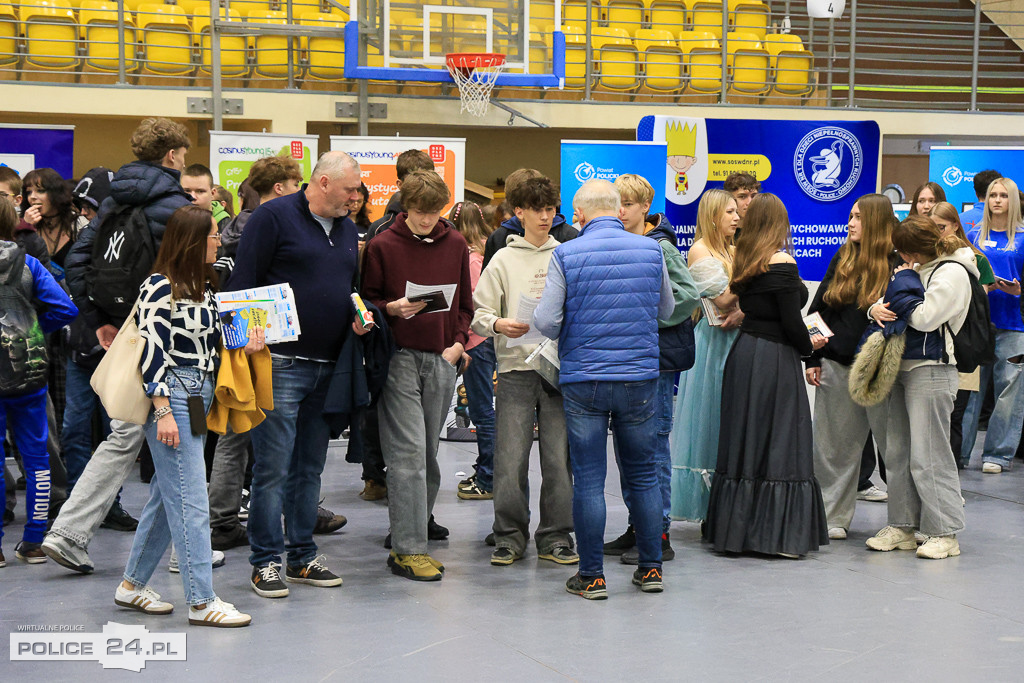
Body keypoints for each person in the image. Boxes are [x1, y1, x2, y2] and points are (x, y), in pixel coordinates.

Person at [43, 117, 194, 573]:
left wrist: (101, 322)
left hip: (125, 329)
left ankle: (69, 532)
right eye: (183, 154)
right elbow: (187, 276)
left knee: (128, 431)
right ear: (172, 156)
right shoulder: (175, 204)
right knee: (177, 436)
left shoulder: (110, 202)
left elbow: (76, 263)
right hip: (170, 334)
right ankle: (181, 549)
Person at [230, 150, 367, 598]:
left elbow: (347, 287)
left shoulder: (347, 230)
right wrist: (246, 337)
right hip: (280, 363)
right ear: (323, 183)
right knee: (272, 468)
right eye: (350, 189)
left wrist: (358, 314)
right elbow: (242, 282)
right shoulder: (272, 218)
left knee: (309, 467)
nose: (356, 197)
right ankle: (265, 562)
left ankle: (302, 556)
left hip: (329, 365)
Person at [114, 204, 255, 626]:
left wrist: (248, 343)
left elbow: (216, 342)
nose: (219, 240)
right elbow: (151, 352)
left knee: (166, 495)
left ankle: (132, 585)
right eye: (213, 234)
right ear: (194, 240)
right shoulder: (159, 286)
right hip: (173, 396)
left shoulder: (204, 287)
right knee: (192, 499)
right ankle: (201, 599)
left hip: (197, 395)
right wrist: (162, 411)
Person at [533, 178, 674, 599]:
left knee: (591, 480)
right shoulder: (652, 250)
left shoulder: (566, 253)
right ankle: (651, 569)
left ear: (578, 214)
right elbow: (666, 309)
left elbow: (545, 321)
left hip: (585, 380)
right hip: (640, 378)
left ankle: (591, 576)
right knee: (645, 475)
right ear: (617, 209)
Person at [361, 170, 472, 582]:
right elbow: (367, 299)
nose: (427, 220)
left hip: (442, 358)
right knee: (407, 454)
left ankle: (413, 529)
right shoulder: (383, 245)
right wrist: (390, 308)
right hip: (399, 358)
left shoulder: (456, 242)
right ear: (404, 207)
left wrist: (458, 344)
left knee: (427, 454)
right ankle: (408, 549)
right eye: (419, 212)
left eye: (434, 212)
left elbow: (464, 303)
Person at [703, 193, 829, 558]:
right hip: (775, 359)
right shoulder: (782, 262)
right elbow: (791, 322)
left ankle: (736, 532)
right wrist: (810, 348)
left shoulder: (745, 259)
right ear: (779, 223)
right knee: (781, 441)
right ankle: (775, 536)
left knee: (744, 440)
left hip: (744, 354)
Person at [472, 177, 576, 567]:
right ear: (519, 213)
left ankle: (556, 535)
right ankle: (509, 536)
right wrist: (499, 325)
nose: (546, 217)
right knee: (510, 458)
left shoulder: (566, 254)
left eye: (551, 209)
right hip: (515, 369)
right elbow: (479, 314)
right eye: (537, 210)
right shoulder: (503, 259)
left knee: (558, 459)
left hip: (557, 371)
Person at [208, 154, 303, 552]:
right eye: (297, 183)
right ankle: (229, 518)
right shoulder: (266, 223)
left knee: (238, 430)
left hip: (242, 338)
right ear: (279, 187)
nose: (302, 191)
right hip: (261, 344)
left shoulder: (233, 224)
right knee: (251, 437)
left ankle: (223, 517)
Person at [864, 215, 974, 559]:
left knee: (930, 455)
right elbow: (889, 306)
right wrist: (875, 310)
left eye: (903, 250)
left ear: (916, 249)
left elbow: (926, 318)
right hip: (900, 366)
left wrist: (904, 285)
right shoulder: (914, 270)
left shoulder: (954, 271)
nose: (899, 256)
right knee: (897, 452)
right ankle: (903, 525)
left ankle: (945, 532)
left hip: (933, 369)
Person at [605, 174, 700, 565]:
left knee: (653, 447)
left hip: (656, 362)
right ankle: (638, 526)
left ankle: (658, 533)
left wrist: (642, 319)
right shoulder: (626, 243)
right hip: (630, 360)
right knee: (629, 447)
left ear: (645, 207)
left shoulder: (660, 247)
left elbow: (688, 296)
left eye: (628, 204)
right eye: (617, 204)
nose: (621, 211)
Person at [805, 194, 899, 540]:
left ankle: (906, 522)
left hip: (881, 372)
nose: (851, 222)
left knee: (894, 449)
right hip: (836, 364)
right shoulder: (843, 256)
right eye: (850, 216)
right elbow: (818, 311)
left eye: (858, 217)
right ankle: (831, 517)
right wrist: (813, 357)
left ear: (875, 221)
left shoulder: (898, 262)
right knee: (832, 450)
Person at [661, 189, 743, 532]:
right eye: (729, 212)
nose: (737, 217)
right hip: (713, 344)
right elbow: (724, 299)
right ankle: (708, 505)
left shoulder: (734, 250)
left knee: (730, 422)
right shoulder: (699, 250)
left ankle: (727, 502)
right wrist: (755, 279)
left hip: (736, 340)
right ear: (712, 216)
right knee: (709, 420)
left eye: (737, 211)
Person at [0, 203, 77, 565]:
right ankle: (33, 542)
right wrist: (31, 332)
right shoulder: (28, 263)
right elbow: (65, 309)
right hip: (29, 373)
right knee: (36, 456)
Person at [960, 177, 1024, 473]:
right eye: (992, 195)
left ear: (1013, 201)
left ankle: (997, 455)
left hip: (1014, 325)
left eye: (1003, 196)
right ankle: (960, 452)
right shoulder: (973, 236)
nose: (997, 200)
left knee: (1008, 393)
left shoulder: (1022, 237)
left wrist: (1018, 289)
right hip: (978, 323)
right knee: (972, 390)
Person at [931, 201, 997, 467]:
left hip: (966, 342)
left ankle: (952, 470)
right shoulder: (927, 256)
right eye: (932, 228)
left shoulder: (976, 258)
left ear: (956, 225)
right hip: (936, 345)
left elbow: (979, 307)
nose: (937, 233)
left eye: (942, 227)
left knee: (957, 414)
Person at [448, 200, 497, 502]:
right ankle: (485, 469)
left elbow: (474, 306)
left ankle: (489, 476)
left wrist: (460, 341)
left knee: (482, 411)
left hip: (476, 344)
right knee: (480, 409)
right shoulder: (482, 254)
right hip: (477, 342)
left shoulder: (472, 259)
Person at [482, 169, 578, 269]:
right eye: (536, 209)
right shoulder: (499, 239)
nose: (544, 217)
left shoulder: (569, 236)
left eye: (548, 209)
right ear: (518, 210)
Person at [365, 149, 436, 241]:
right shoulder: (380, 229)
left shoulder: (446, 228)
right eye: (415, 183)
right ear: (400, 184)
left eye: (427, 181)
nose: (422, 187)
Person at [182, 164, 231, 231]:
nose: (193, 197)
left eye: (200, 191)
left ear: (212, 193)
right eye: (187, 191)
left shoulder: (224, 224)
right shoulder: (173, 218)